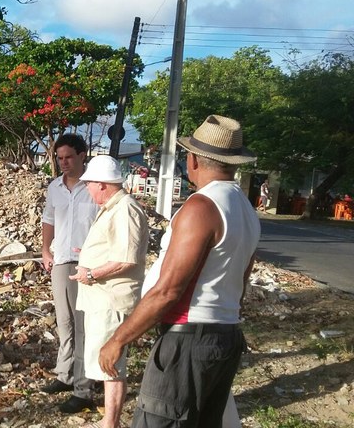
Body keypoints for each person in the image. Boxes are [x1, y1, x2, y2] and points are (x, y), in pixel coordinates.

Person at [99, 115, 260, 428]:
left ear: (194, 160)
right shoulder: (245, 208)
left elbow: (168, 289)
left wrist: (118, 339)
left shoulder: (201, 206)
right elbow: (242, 279)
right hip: (224, 336)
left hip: (189, 339)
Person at [68, 155, 149, 428]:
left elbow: (127, 258)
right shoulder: (112, 207)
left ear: (102, 184)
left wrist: (90, 273)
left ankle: (110, 423)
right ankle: (108, 419)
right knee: (105, 362)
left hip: (111, 300)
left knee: (110, 364)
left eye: (89, 183)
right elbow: (114, 249)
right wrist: (89, 257)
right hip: (101, 299)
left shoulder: (124, 209)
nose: (87, 188)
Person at [40, 133, 101, 413]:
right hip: (61, 261)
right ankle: (65, 375)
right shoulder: (55, 187)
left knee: (83, 326)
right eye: (60, 158)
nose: (63, 163)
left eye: (68, 157)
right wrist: (45, 251)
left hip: (88, 263)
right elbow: (48, 220)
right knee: (64, 322)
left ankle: (83, 389)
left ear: (82, 155)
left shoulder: (96, 187)